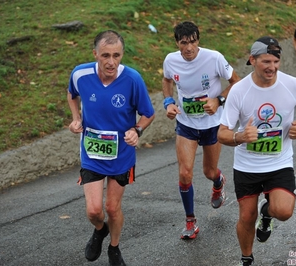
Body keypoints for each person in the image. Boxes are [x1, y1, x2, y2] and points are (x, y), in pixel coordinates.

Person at [217, 36, 296, 266]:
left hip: (279, 162)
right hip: (247, 165)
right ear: (252, 60)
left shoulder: (292, 85)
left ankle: (268, 212)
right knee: (246, 217)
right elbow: (221, 133)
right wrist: (240, 136)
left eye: (276, 61)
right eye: (266, 61)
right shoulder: (239, 91)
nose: (272, 67)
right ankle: (247, 258)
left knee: (284, 211)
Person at [67, 30, 155, 265]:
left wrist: (136, 130)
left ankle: (114, 249)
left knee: (112, 208)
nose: (111, 62)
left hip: (121, 155)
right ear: (95, 54)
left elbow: (148, 113)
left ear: (122, 55)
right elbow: (72, 94)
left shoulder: (133, 79)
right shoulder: (81, 74)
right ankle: (100, 229)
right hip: (92, 152)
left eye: (116, 55)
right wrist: (76, 118)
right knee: (95, 211)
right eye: (105, 55)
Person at [162, 21, 240, 240]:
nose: (189, 48)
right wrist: (168, 102)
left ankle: (218, 181)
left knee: (208, 171)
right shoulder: (171, 60)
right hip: (186, 124)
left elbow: (236, 81)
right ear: (177, 43)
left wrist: (218, 100)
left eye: (193, 42)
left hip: (213, 124)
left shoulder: (214, 58)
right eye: (184, 43)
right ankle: (190, 221)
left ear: (199, 40)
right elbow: (166, 79)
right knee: (185, 173)